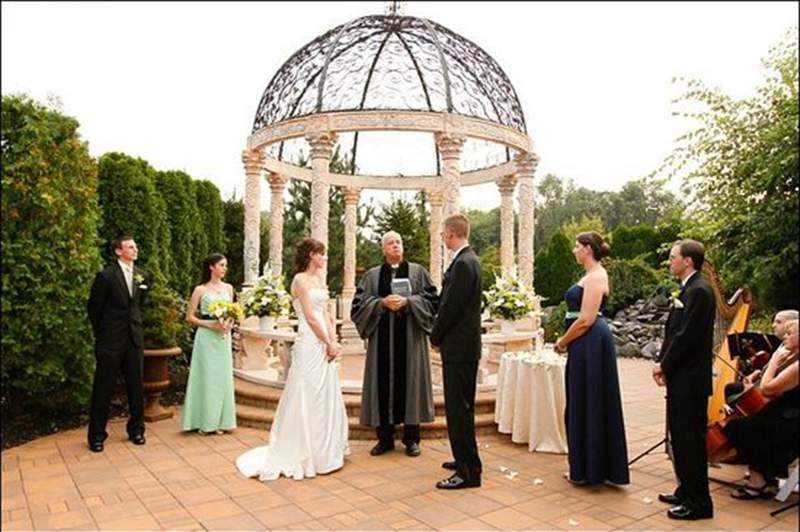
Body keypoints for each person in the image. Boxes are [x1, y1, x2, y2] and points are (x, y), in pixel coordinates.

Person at [236, 238, 349, 480]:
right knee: (306, 390)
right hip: (309, 342)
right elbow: (309, 315)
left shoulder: (319, 280)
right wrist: (325, 342)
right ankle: (304, 450)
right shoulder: (299, 280)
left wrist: (333, 340)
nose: (324, 258)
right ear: (310, 255)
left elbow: (327, 313)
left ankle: (325, 451)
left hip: (324, 341)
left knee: (325, 391)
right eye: (321, 254)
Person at [351, 231, 439, 457]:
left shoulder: (418, 272)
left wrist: (409, 302)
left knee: (411, 384)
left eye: (399, 242)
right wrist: (380, 303)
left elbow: (433, 302)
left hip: (410, 342)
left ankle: (412, 439)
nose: (396, 246)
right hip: (382, 342)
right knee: (382, 385)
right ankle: (385, 439)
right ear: (384, 249)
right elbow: (358, 307)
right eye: (390, 243)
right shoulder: (372, 276)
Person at [555, 231, 629, 486]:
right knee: (581, 400)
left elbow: (586, 319)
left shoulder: (597, 275)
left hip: (591, 343)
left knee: (590, 400)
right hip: (584, 343)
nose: (574, 251)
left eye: (577, 246)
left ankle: (593, 468)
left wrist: (563, 341)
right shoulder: (589, 275)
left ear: (587, 249)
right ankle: (585, 466)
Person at [653, 239, 716, 520]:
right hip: (681, 376)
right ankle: (685, 490)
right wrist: (664, 364)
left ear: (688, 260)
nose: (670, 261)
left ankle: (699, 504)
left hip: (690, 380)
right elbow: (674, 331)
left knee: (690, 440)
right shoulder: (689, 288)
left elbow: (686, 336)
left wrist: (664, 365)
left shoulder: (700, 291)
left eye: (673, 257)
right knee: (680, 438)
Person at [430, 214, 483, 490]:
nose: (442, 239)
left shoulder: (463, 263)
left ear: (452, 234)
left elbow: (450, 308)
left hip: (459, 348)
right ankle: (465, 458)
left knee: (458, 410)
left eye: (442, 235)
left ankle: (467, 473)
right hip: (465, 347)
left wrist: (435, 336)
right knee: (463, 407)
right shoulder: (468, 260)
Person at [723, 319, 799, 500]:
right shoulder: (793, 357)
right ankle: (766, 476)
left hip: (793, 424)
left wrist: (773, 361)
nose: (785, 337)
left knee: (739, 427)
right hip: (788, 414)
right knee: (751, 420)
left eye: (790, 333)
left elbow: (767, 389)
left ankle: (758, 481)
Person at [86, 236, 147, 452]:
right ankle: (96, 436)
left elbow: (140, 306)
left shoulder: (142, 275)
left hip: (134, 340)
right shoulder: (106, 276)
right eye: (130, 246)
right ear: (118, 251)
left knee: (136, 387)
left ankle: (137, 430)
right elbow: (94, 308)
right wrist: (103, 334)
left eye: (135, 246)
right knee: (103, 388)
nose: (135, 249)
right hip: (110, 341)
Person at [181, 254, 237, 434]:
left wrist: (229, 324)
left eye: (225, 265)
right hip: (206, 339)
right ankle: (204, 422)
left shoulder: (229, 288)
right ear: (211, 267)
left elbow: (234, 313)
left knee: (222, 379)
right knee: (206, 379)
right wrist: (211, 325)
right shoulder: (200, 290)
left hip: (223, 338)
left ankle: (221, 422)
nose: (224, 268)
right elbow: (189, 317)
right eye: (221, 265)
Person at [725, 310, 798, 404]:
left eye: (778, 322)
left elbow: (768, 388)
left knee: (733, 395)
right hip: (767, 387)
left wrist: (752, 389)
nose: (773, 325)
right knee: (730, 388)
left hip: (780, 403)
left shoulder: (792, 353)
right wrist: (758, 373)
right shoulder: (784, 346)